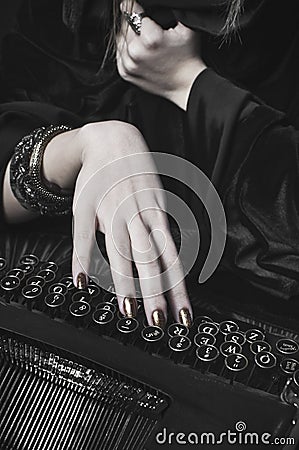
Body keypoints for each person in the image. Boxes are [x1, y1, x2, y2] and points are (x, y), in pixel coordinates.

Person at [0, 0, 298, 329]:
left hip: (232, 350)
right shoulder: (63, 16)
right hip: (52, 332)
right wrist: (92, 145)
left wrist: (189, 82)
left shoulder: (277, 29)